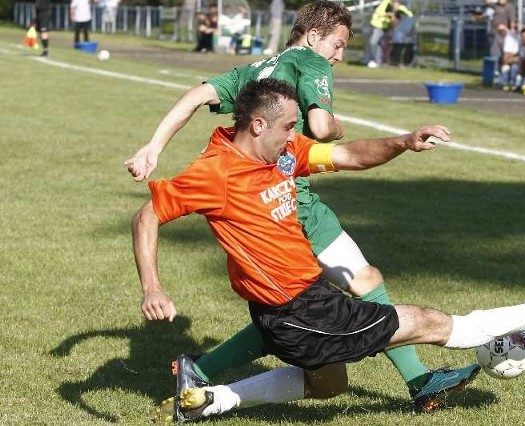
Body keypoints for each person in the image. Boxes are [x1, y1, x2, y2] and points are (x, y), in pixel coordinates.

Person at [131, 78, 525, 423]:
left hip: (302, 302)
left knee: (328, 385)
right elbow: (147, 215)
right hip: (298, 311)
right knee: (428, 323)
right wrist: (153, 287)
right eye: (288, 125)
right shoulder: (214, 173)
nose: (294, 134)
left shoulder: (281, 153)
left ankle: (208, 401)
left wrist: (403, 143)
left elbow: (347, 156)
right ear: (257, 124)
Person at [124, 0, 479, 412]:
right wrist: (340, 125)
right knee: (363, 280)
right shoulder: (312, 63)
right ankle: (420, 381)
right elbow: (324, 129)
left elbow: (193, 97)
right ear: (314, 36)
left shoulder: (257, 72)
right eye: (339, 44)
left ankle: (199, 370)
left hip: (264, 200)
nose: (339, 55)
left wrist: (154, 146)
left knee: (288, 307)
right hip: (293, 205)